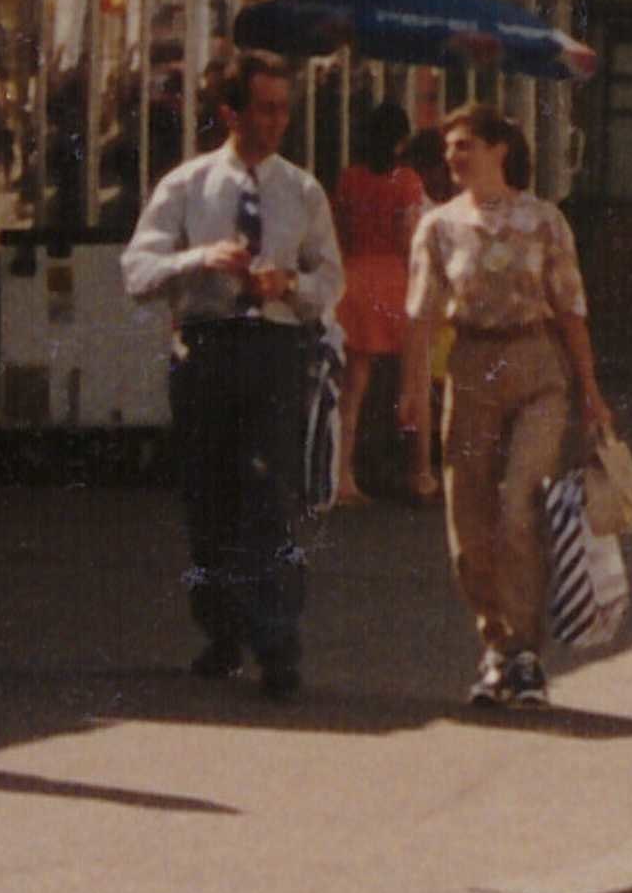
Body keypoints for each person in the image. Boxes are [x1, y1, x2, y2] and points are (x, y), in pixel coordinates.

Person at [117, 52, 339, 696]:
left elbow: (331, 277)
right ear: (230, 114)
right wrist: (195, 260)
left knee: (269, 493)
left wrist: (289, 283)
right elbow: (137, 270)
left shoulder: (301, 190)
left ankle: (278, 644)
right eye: (264, 109)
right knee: (209, 496)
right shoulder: (186, 186)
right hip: (207, 346)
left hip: (272, 347)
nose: (276, 123)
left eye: (283, 110)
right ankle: (222, 629)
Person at [403, 104, 605, 710]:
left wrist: (591, 392)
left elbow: (570, 307)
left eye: (465, 145)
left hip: (536, 367)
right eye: (449, 149)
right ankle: (495, 646)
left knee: (519, 500)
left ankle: (525, 651)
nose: (454, 158)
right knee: (468, 521)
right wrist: (413, 389)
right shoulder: (437, 227)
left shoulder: (544, 222)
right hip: (470, 369)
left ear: (499, 150)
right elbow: (420, 315)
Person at [330, 98, 426, 502]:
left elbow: (337, 232)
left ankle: (342, 476)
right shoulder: (407, 182)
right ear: (401, 141)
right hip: (394, 283)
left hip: (352, 281)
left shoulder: (348, 179)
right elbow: (410, 242)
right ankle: (416, 472)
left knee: (352, 389)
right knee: (411, 382)